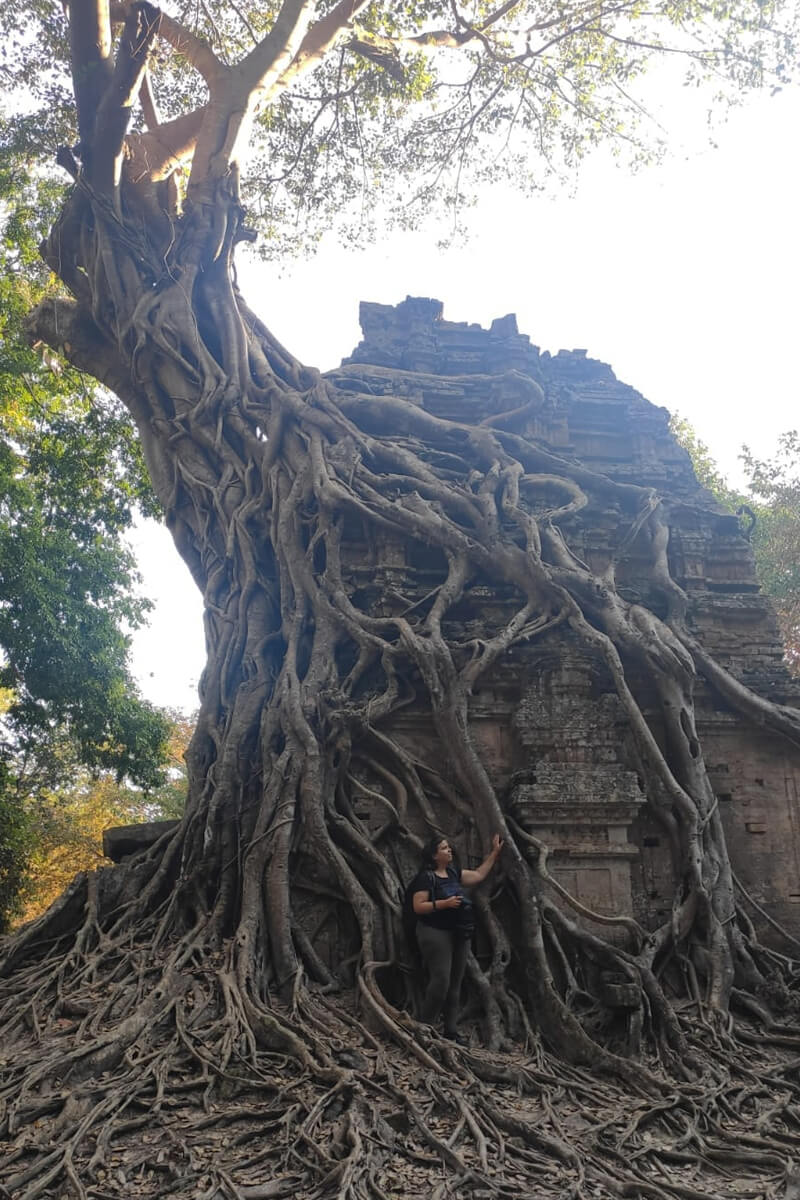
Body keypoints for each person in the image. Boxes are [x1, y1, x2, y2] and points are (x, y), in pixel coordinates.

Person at [411, 833, 503, 1042]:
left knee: (455, 982)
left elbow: (479, 875)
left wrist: (495, 853)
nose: (449, 850)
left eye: (448, 847)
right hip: (434, 932)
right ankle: (424, 1027)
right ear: (434, 856)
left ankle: (451, 1031)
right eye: (444, 848)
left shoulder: (453, 874)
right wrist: (444, 904)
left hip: (459, 933)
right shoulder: (426, 878)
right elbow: (418, 906)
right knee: (441, 980)